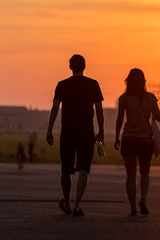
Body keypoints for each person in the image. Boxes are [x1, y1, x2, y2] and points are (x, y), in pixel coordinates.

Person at [46, 54, 104, 217]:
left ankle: (67, 202)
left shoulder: (62, 85)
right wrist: (102, 130)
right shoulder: (93, 84)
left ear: (70, 67)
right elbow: (99, 110)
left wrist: (50, 129)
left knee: (66, 169)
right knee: (84, 168)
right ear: (84, 66)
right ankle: (77, 204)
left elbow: (55, 108)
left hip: (68, 132)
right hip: (86, 132)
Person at [115, 68, 160, 216]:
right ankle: (143, 198)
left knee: (131, 175)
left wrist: (117, 137)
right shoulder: (150, 97)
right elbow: (159, 117)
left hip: (128, 138)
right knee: (145, 173)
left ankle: (133, 208)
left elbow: (119, 120)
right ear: (143, 82)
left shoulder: (124, 98)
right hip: (145, 140)